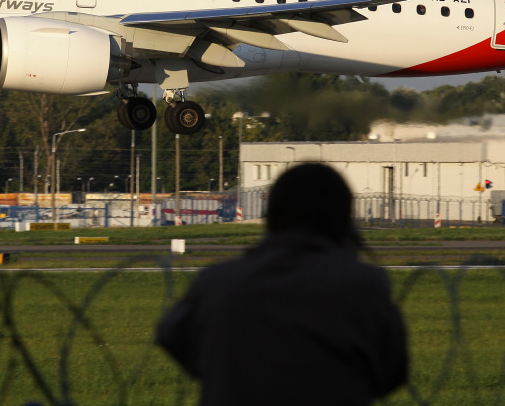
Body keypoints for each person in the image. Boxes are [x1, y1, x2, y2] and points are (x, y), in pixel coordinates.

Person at [156, 162, 408, 405]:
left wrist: (229, 371)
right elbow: (391, 372)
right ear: (344, 224)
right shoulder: (362, 284)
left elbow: (171, 335)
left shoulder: (218, 281)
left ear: (270, 220)